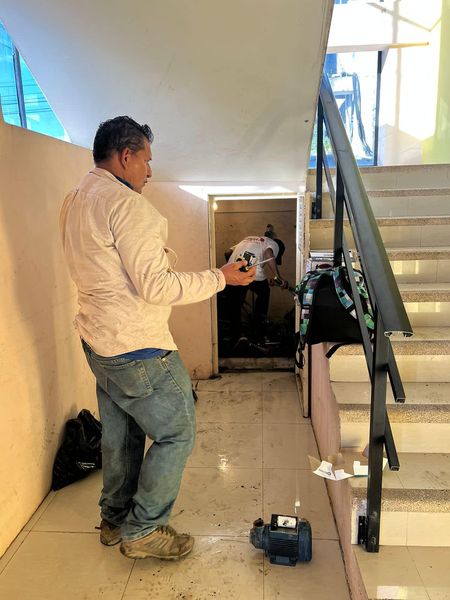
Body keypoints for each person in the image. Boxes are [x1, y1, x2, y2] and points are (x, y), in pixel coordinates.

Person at [59, 116, 256, 561]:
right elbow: (157, 287)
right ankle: (144, 529)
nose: (150, 171)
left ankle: (114, 518)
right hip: (137, 345)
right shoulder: (129, 207)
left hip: (97, 339)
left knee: (122, 430)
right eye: (146, 161)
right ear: (125, 156)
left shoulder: (74, 199)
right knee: (177, 432)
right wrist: (221, 277)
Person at [224, 233, 288, 347]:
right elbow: (269, 254)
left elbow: (227, 252)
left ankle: (236, 336)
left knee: (236, 304)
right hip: (252, 272)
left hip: (233, 272)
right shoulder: (273, 244)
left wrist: (235, 268)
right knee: (264, 293)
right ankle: (258, 328)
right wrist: (278, 277)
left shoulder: (248, 239)